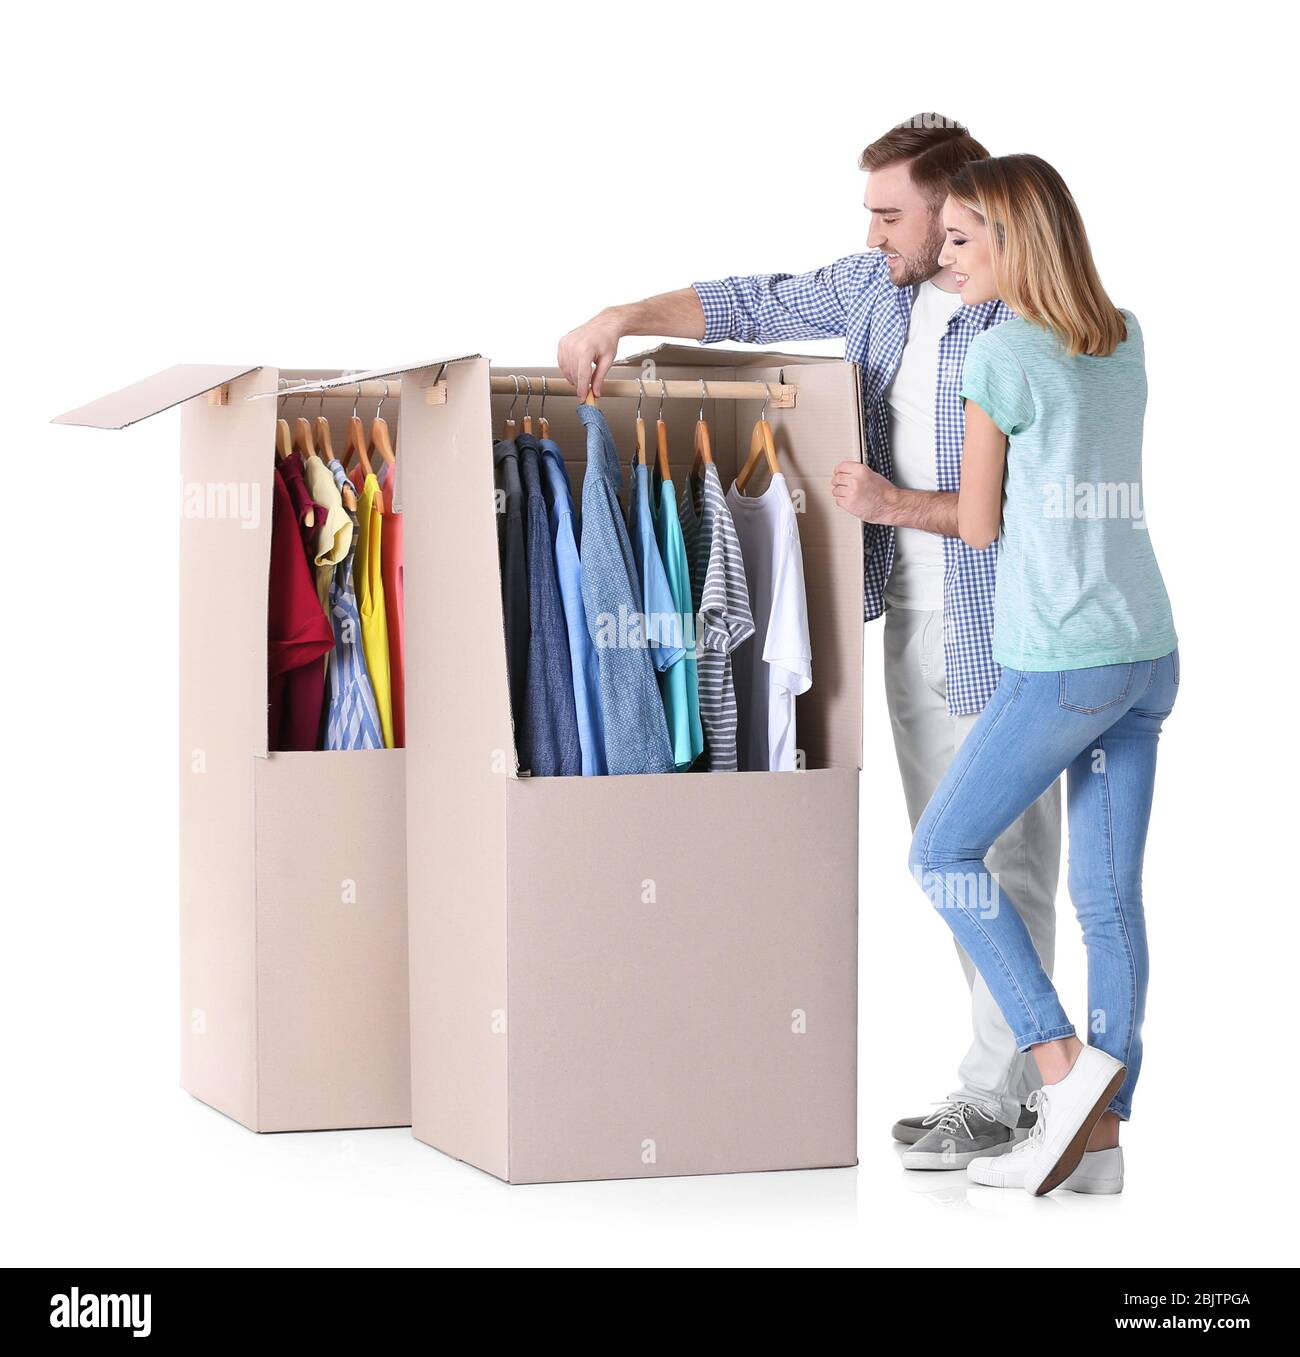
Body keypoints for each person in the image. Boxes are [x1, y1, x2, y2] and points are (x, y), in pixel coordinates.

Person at [558, 115, 1061, 1172]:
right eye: (869, 214)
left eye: (892, 214)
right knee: (948, 853)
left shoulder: (1019, 310)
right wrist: (621, 313)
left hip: (1003, 615)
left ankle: (1011, 1091)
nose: (875, 232)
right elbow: (746, 300)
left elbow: (1034, 496)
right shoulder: (871, 289)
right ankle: (1013, 1083)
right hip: (911, 613)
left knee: (1003, 853)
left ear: (954, 206)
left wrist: (892, 500)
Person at [909, 154, 1178, 1196]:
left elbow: (975, 525)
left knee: (940, 850)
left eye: (963, 238)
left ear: (1013, 242)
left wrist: (888, 502)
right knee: (1106, 899)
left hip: (1060, 661)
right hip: (1145, 651)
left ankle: (1061, 1078)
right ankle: (1100, 1137)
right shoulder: (1123, 335)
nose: (945, 255)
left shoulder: (999, 357)